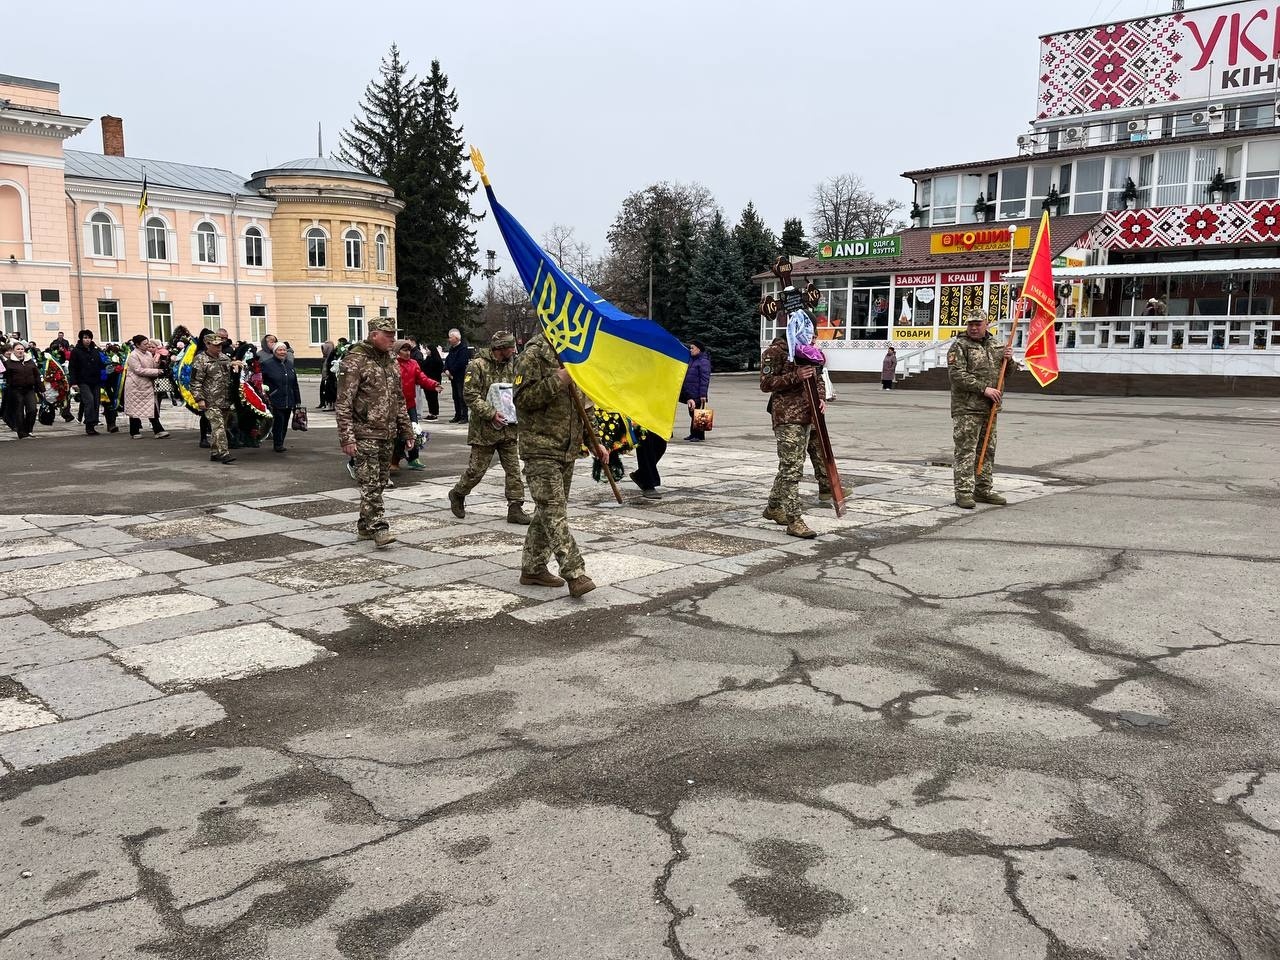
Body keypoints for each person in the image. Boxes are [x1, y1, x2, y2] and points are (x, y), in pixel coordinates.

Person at [513, 334, 607, 597]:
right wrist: (559, 379)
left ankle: (532, 567)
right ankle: (575, 573)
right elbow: (521, 399)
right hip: (540, 448)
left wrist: (595, 442)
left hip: (566, 450)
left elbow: (584, 406)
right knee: (554, 512)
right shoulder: (533, 355)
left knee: (548, 511)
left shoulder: (575, 355)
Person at [335, 317, 415, 547]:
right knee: (369, 484)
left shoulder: (390, 360)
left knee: (379, 482)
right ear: (373, 335)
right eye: (387, 335)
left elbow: (399, 399)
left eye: (393, 335)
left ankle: (364, 526)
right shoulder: (355, 361)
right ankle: (380, 528)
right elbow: (343, 403)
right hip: (364, 433)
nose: (392, 339)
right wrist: (347, 437)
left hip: (387, 433)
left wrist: (407, 431)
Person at [448, 330, 529, 523]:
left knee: (513, 470)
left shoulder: (514, 364)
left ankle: (515, 507)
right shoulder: (477, 365)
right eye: (511, 347)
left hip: (509, 428)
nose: (514, 350)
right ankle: (458, 493)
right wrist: (491, 414)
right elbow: (470, 395)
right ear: (500, 348)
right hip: (484, 430)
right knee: (476, 471)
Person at [947, 310, 1014, 509]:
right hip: (967, 408)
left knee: (987, 450)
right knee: (966, 451)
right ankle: (964, 492)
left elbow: (1006, 373)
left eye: (978, 324)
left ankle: (983, 489)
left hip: (990, 409)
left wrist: (1009, 360)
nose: (974, 328)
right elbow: (956, 375)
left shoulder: (996, 345)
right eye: (970, 324)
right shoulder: (960, 346)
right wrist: (984, 389)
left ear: (986, 325)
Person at [759, 329, 822, 540]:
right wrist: (795, 375)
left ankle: (773, 507)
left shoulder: (808, 352)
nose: (813, 337)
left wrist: (820, 397)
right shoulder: (774, 352)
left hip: (807, 415)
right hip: (786, 416)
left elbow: (818, 378)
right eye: (809, 332)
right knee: (792, 469)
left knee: (790, 465)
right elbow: (765, 383)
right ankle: (795, 520)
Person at [392, 339, 440, 471]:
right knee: (397, 434)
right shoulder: (392, 364)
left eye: (409, 350)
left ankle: (414, 458)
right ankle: (394, 461)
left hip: (410, 404)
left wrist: (434, 384)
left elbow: (422, 378)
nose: (408, 353)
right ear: (397, 351)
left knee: (415, 431)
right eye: (404, 350)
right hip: (394, 405)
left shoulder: (413, 363)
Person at [191, 334, 240, 464]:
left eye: (220, 345)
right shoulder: (200, 360)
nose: (219, 348)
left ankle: (215, 453)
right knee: (218, 426)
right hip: (210, 400)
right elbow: (195, 382)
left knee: (220, 426)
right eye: (216, 345)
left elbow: (229, 377)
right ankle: (224, 453)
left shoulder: (224, 358)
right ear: (207, 344)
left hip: (224, 399)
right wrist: (199, 399)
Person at [123, 336, 172, 440]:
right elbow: (138, 370)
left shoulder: (148, 354)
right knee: (134, 409)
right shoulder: (133, 355)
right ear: (137, 345)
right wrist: (156, 372)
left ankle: (158, 430)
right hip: (135, 385)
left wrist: (159, 360)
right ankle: (134, 431)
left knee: (151, 407)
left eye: (148, 343)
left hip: (147, 385)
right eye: (145, 344)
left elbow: (152, 366)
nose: (148, 345)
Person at [261, 341, 301, 453]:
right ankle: (278, 444)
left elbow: (294, 384)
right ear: (274, 352)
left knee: (285, 421)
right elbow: (260, 381)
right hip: (275, 399)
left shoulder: (289, 364)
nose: (282, 352)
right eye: (280, 350)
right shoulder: (267, 364)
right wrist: (266, 394)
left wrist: (297, 400)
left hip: (289, 398)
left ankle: (280, 442)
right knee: (279, 421)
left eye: (284, 350)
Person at [67, 329, 106, 435]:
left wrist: (103, 379)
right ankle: (89, 425)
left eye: (89, 338)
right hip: (83, 381)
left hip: (96, 381)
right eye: (85, 338)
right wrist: (73, 383)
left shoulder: (95, 350)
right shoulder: (76, 351)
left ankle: (93, 423)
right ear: (81, 339)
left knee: (96, 402)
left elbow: (101, 365)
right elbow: (72, 368)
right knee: (89, 400)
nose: (87, 340)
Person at [1, 341, 41, 438]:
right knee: (18, 411)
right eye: (18, 349)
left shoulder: (30, 361)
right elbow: (5, 377)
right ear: (13, 351)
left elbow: (36, 375)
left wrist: (41, 389)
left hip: (29, 389)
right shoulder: (8, 363)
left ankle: (28, 429)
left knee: (32, 409)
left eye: (22, 349)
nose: (20, 351)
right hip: (15, 390)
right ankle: (21, 432)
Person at [681, 340, 711, 441]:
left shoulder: (703, 361)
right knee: (692, 413)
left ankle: (697, 435)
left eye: (692, 348)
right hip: (690, 391)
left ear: (698, 349)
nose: (690, 350)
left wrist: (703, 394)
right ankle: (694, 434)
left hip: (698, 392)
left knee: (697, 413)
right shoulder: (692, 360)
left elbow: (705, 379)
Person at [443, 328, 472, 423]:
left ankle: (464, 416)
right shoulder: (452, 349)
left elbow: (461, 363)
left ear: (456, 338)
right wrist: (446, 369)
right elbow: (447, 360)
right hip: (452, 377)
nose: (449, 339)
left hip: (460, 376)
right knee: (455, 396)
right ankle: (457, 415)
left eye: (450, 337)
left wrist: (451, 371)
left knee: (461, 396)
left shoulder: (463, 349)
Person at [420, 343, 444, 420]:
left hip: (434, 381)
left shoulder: (436, 359)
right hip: (427, 381)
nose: (426, 351)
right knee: (428, 398)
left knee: (433, 398)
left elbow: (439, 369)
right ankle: (431, 412)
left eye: (427, 349)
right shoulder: (428, 358)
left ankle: (434, 413)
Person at [318, 338, 336, 410]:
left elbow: (328, 368)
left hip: (329, 377)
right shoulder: (325, 358)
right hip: (326, 376)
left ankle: (328, 404)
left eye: (325, 348)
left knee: (328, 390)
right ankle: (323, 402)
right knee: (323, 389)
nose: (323, 351)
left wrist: (326, 376)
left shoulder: (331, 357)